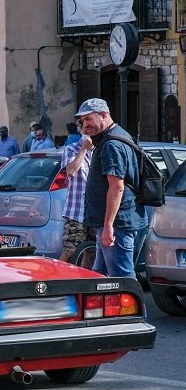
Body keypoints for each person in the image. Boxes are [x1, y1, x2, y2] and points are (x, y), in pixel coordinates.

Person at [78, 98, 147, 279]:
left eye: (89, 119)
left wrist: (109, 225)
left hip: (117, 224)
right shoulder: (114, 137)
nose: (85, 125)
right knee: (99, 278)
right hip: (112, 223)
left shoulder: (111, 144)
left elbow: (117, 187)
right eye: (83, 121)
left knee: (122, 280)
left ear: (104, 115)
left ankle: (139, 309)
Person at [59, 128, 93, 262]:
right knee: (70, 251)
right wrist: (83, 149)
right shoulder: (71, 149)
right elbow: (71, 171)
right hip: (76, 211)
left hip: (94, 210)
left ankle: (85, 282)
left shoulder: (100, 150)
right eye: (85, 126)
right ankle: (57, 281)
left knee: (90, 252)